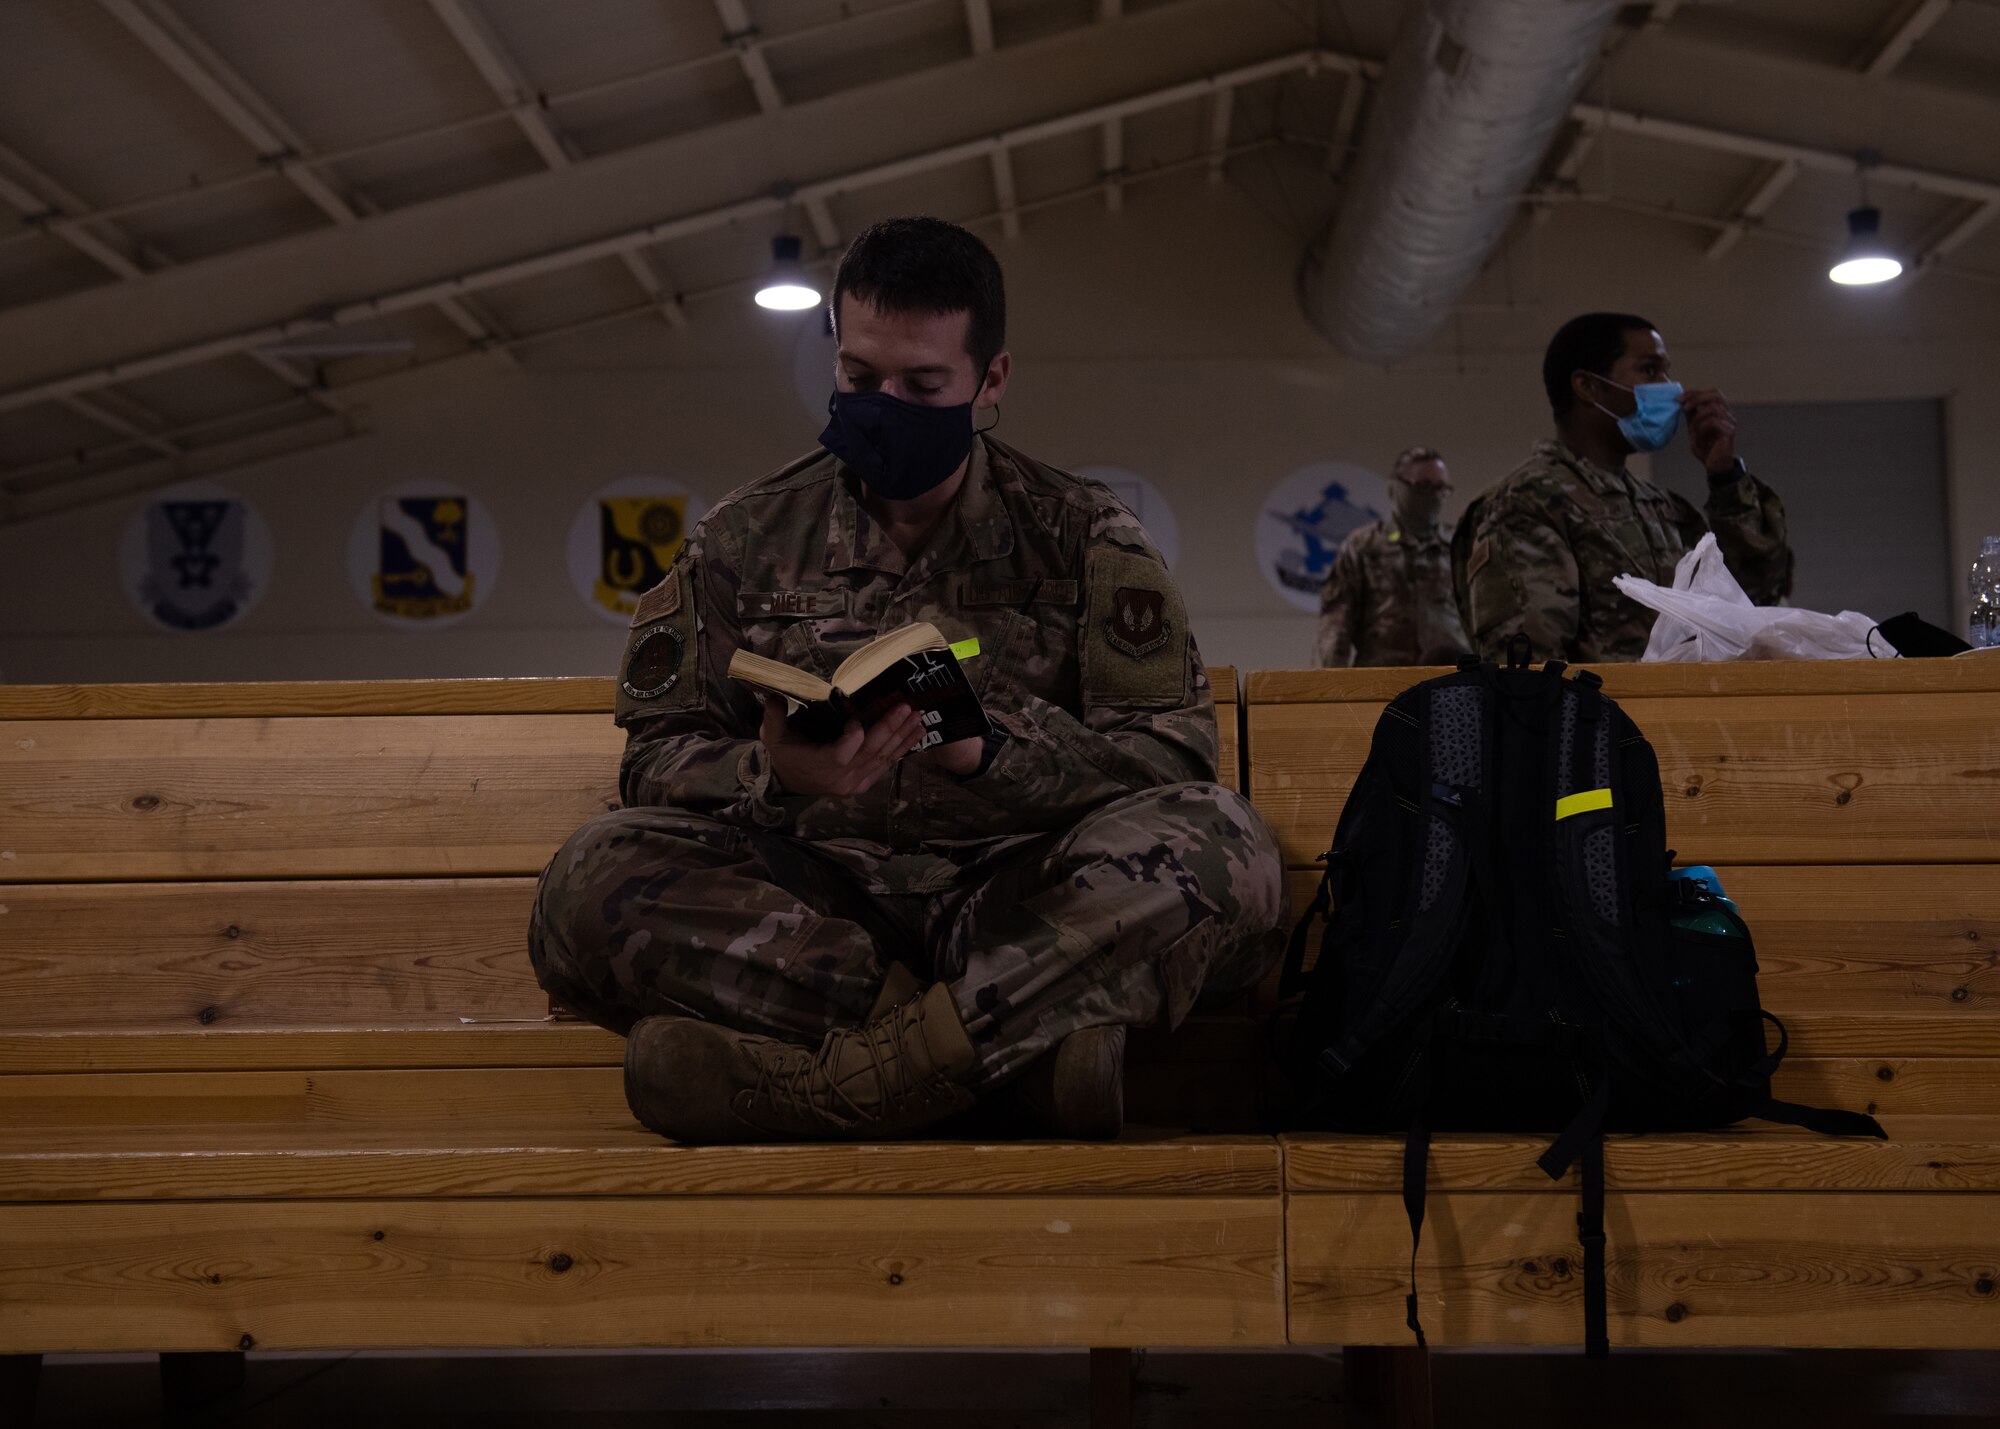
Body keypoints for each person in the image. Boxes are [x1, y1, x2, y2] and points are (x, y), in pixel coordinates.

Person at [529, 217, 1286, 1146]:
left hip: (1018, 903)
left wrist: (993, 754)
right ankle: (1013, 1066)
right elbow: (655, 761)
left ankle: (846, 1084)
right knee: (587, 877)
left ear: (990, 379)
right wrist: (774, 774)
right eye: (859, 378)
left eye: (924, 385)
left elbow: (1173, 759)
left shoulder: (1084, 533)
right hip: (822, 916)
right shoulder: (743, 536)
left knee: (1229, 846)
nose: (885, 403)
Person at [1453, 313, 1793, 663]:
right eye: (1649, 370)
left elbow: (1752, 605)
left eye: (1665, 371)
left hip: (1681, 715)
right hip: (1602, 716)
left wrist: (1724, 478)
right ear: (1588, 386)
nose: (1670, 388)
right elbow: (1528, 668)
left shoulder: (1662, 508)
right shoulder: (1529, 503)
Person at [1315, 446, 1471, 667]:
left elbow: (1483, 619)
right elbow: (1335, 626)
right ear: (1395, 488)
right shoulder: (1364, 547)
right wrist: (1329, 690)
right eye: (1423, 486)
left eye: (1440, 488)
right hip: (1383, 681)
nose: (1433, 496)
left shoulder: (1460, 546)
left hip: (1449, 682)